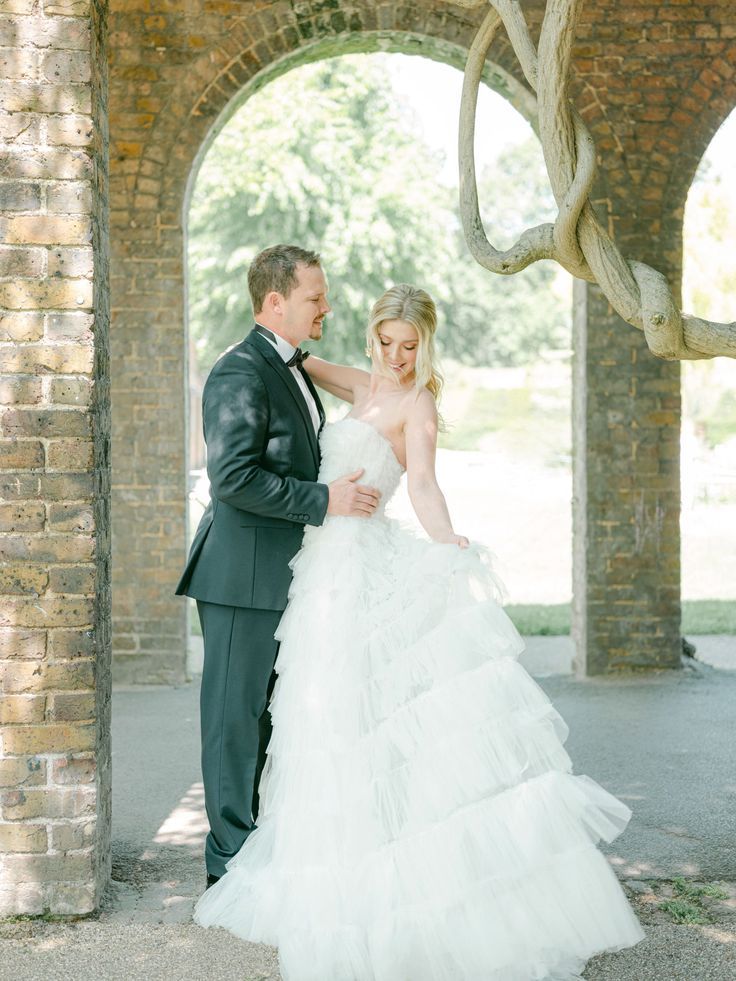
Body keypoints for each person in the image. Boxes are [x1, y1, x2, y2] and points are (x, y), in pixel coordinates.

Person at [193, 283, 646, 979]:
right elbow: (294, 360)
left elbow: (426, 483)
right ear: (373, 336)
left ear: (425, 346)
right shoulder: (357, 380)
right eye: (386, 343)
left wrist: (446, 541)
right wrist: (264, 342)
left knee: (362, 711)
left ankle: (381, 858)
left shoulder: (418, 403)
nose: (397, 357)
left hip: (361, 562)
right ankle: (320, 852)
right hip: (317, 569)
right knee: (312, 712)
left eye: (410, 347)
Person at [175, 244, 381, 889]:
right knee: (234, 722)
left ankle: (260, 853)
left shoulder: (288, 364)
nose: (327, 306)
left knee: (269, 718)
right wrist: (327, 501)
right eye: (316, 296)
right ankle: (229, 865)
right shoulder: (240, 372)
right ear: (276, 302)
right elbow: (234, 477)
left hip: (283, 575)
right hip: (241, 577)